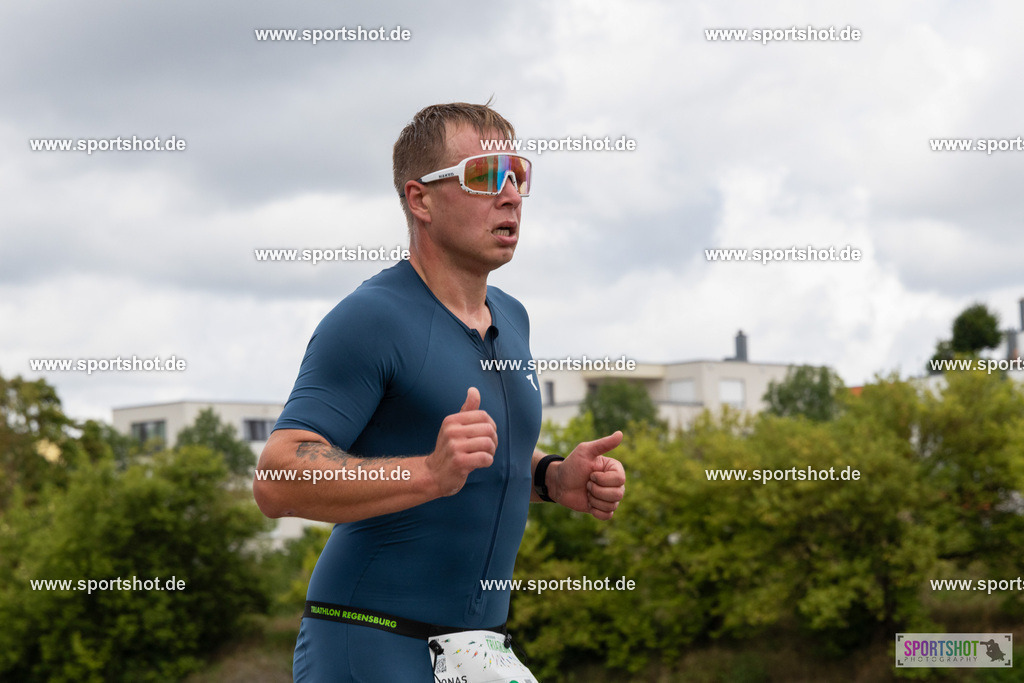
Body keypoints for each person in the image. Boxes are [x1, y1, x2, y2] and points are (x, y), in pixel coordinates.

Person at [253, 101, 626, 682]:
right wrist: (426, 474)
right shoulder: (369, 319)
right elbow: (276, 478)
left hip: (480, 650)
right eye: (482, 175)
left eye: (516, 176)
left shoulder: (514, 317)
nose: (509, 196)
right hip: (369, 639)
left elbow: (473, 457)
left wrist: (551, 478)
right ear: (419, 199)